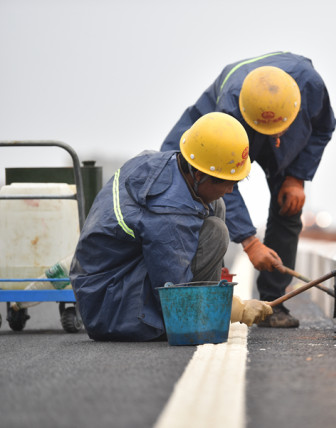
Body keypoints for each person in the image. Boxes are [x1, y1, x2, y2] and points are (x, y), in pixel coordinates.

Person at [160, 52, 336, 328]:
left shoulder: (311, 88)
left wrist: (296, 178)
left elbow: (324, 129)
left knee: (290, 203)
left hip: (288, 130)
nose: (274, 138)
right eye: (270, 133)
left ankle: (273, 303)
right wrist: (250, 242)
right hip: (233, 127)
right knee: (192, 189)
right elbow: (220, 183)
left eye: (278, 131)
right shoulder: (228, 110)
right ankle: (184, 290)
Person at [70, 112, 273, 342]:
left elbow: (211, 197)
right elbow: (176, 292)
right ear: (198, 174)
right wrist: (237, 310)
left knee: (216, 205)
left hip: (108, 284)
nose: (230, 190)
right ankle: (199, 320)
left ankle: (208, 301)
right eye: (228, 183)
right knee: (216, 232)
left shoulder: (165, 164)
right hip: (110, 309)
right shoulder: (167, 213)